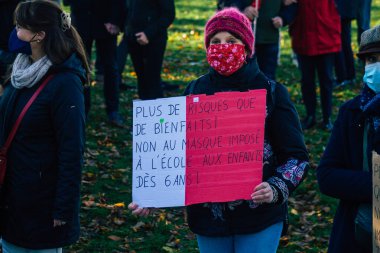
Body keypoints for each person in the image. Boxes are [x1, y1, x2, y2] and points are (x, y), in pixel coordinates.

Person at [129, 8, 309, 253]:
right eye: (215, 41)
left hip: (259, 217)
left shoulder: (272, 92)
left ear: (246, 46)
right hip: (208, 218)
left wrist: (276, 187)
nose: (223, 47)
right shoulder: (194, 91)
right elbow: (175, 153)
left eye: (231, 41)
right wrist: (154, 196)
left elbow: (297, 157)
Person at [0, 0, 88, 252]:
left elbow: (72, 150)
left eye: (19, 27)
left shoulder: (65, 84)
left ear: (38, 35)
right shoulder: (19, 69)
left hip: (40, 204)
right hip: (13, 197)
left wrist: (63, 209)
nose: (14, 32)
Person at [317, 25, 380, 253]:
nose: (376, 65)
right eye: (371, 59)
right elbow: (327, 175)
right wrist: (374, 184)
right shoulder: (352, 112)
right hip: (357, 233)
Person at [63, 0, 125, 127]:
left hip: (106, 22)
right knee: (81, 68)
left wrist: (115, 20)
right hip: (81, 21)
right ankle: (83, 108)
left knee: (111, 68)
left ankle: (113, 110)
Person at [289, 0, 341, 131]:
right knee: (307, 80)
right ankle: (310, 115)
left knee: (326, 80)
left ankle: (327, 117)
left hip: (326, 34)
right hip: (304, 35)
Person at [217, 0, 298, 81]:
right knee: (241, 79)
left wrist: (283, 18)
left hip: (269, 39)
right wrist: (241, 10)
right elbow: (224, 3)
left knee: (267, 79)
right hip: (240, 41)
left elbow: (291, 5)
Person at [125, 0, 175, 100]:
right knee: (141, 78)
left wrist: (148, 33)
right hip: (133, 37)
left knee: (153, 78)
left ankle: (156, 111)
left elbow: (168, 14)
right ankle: (144, 108)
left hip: (154, 39)